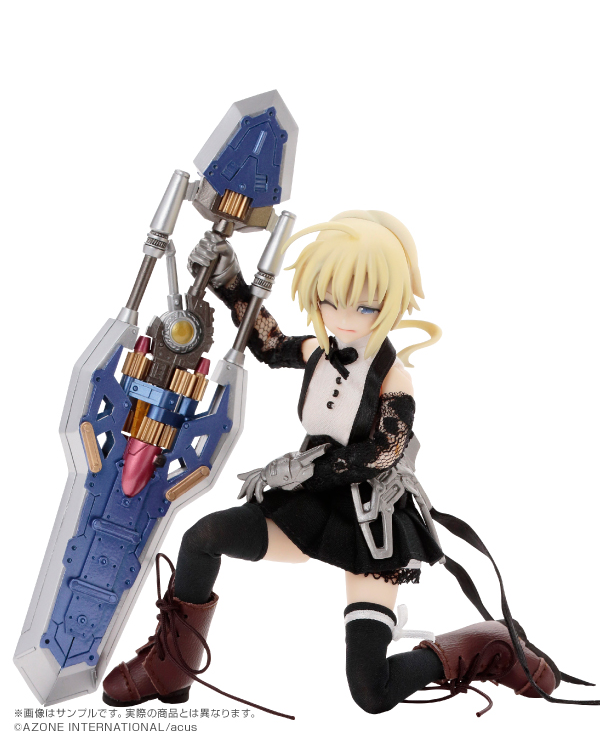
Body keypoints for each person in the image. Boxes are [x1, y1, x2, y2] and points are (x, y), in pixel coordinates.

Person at [102, 210, 558, 716]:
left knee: (371, 691)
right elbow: (268, 344)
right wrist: (229, 281)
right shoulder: (321, 349)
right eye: (329, 300)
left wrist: (303, 471)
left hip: (373, 525)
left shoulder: (395, 378)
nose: (343, 317)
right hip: (309, 504)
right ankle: (173, 665)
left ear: (391, 303)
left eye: (365, 306)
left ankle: (484, 644)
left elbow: (383, 451)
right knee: (204, 538)